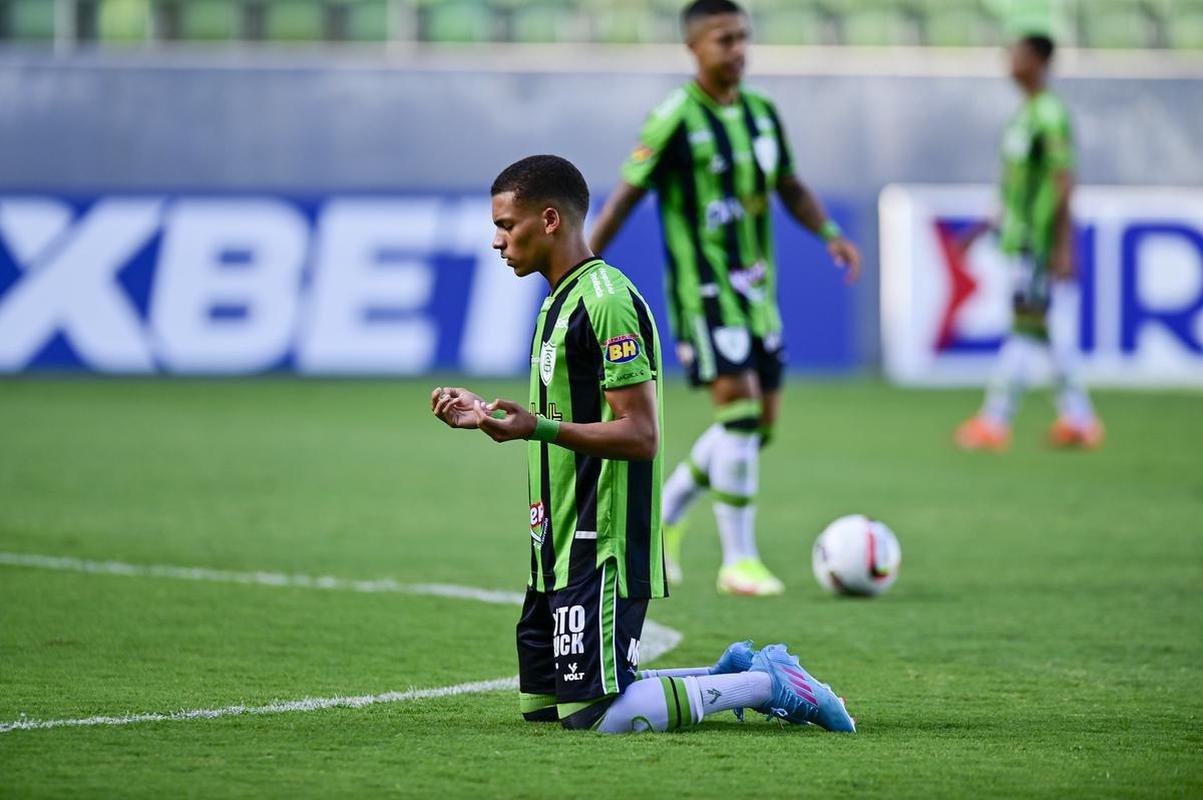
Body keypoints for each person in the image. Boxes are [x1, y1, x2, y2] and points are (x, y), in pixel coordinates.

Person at [431, 154, 855, 734]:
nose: (498, 242)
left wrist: (539, 429)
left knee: (593, 716)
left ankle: (768, 685)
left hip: (599, 540)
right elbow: (555, 414)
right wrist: (485, 414)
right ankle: (724, 672)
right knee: (544, 705)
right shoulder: (557, 299)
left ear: (550, 219)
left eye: (506, 226)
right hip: (552, 543)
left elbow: (642, 435)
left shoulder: (606, 301)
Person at [589, 0, 862, 596]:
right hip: (704, 292)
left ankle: (662, 519)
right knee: (737, 416)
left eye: (743, 37)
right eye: (723, 39)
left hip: (757, 292)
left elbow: (788, 184)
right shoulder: (674, 119)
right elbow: (626, 197)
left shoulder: (762, 113)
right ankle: (738, 561)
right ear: (693, 48)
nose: (737, 49)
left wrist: (830, 235)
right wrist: (582, 268)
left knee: (758, 427)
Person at [954, 33, 1103, 451]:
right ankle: (1079, 419)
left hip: (1037, 244)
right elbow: (1013, 186)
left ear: (1038, 61)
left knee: (1025, 328)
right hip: (1018, 241)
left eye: (1017, 55)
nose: (1009, 61)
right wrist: (979, 229)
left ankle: (995, 421)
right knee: (1043, 331)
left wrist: (1062, 246)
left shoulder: (1050, 115)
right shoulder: (1022, 116)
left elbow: (1062, 180)